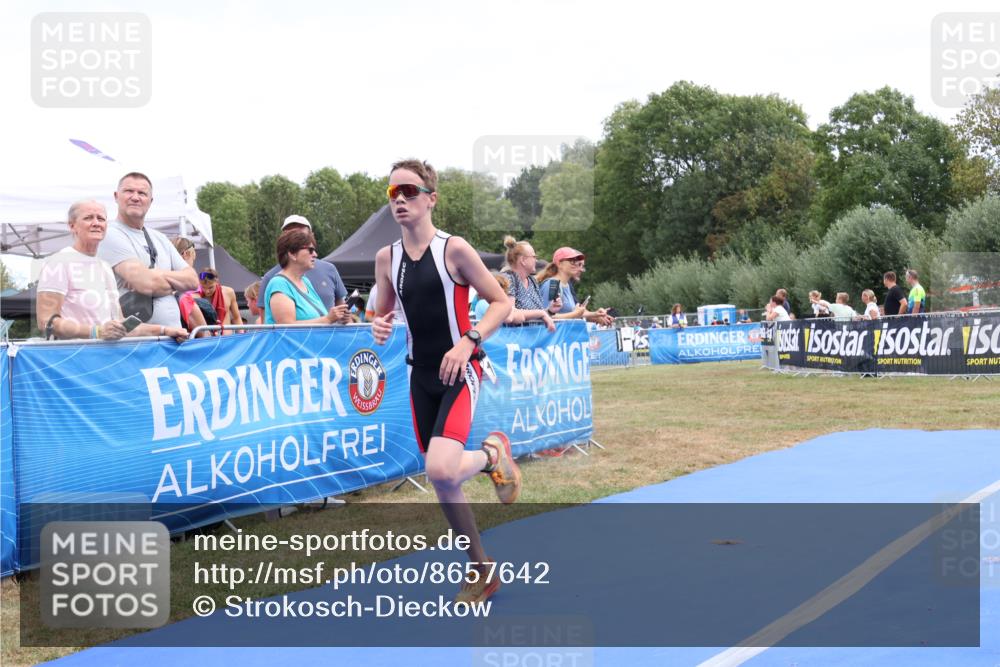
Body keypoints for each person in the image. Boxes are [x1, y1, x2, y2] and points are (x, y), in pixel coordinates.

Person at [370, 158, 516, 606]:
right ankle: (482, 569)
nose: (399, 200)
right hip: (419, 375)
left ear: (431, 198)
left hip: (460, 370)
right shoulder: (386, 258)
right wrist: (379, 324)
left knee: (439, 468)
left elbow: (501, 302)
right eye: (393, 193)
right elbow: (383, 310)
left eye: (409, 191)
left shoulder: (454, 249)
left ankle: (492, 455)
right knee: (444, 480)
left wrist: (469, 340)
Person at [36, 200, 187, 341]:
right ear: (72, 226)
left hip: (107, 357)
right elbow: (46, 322)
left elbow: (121, 326)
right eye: (88, 218)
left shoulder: (105, 266)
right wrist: (96, 332)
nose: (96, 223)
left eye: (101, 219)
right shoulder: (58, 262)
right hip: (72, 357)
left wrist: (164, 330)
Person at [97, 172, 199, 330]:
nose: (135, 197)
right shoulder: (109, 234)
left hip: (173, 337)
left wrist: (155, 274)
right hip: (138, 340)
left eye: (142, 193)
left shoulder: (160, 238)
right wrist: (176, 284)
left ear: (150, 201)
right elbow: (148, 284)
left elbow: (192, 280)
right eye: (129, 191)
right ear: (116, 196)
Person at [258, 215, 350, 322]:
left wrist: (339, 317)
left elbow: (321, 317)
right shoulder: (278, 284)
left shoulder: (305, 281)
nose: (315, 254)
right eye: (310, 250)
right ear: (292, 254)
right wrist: (327, 319)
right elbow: (286, 327)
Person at [536, 248, 613, 326]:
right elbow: (547, 316)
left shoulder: (566, 285)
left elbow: (568, 313)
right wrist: (575, 314)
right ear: (559, 264)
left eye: (578, 262)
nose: (577, 265)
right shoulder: (552, 284)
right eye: (572, 261)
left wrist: (595, 314)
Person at [500, 236, 562, 317]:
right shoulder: (508, 279)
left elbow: (538, 315)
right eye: (534, 257)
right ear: (523, 260)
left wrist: (550, 311)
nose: (536, 260)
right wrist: (541, 313)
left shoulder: (532, 281)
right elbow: (509, 314)